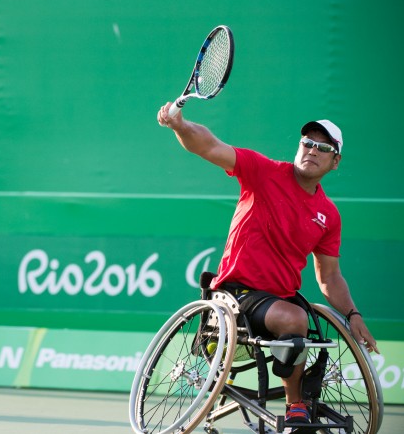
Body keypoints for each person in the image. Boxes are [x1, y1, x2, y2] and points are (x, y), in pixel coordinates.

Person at [156, 105, 378, 424]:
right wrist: (180, 125)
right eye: (308, 142)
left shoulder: (328, 215)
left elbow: (329, 277)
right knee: (294, 319)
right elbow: (209, 145)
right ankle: (295, 405)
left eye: (324, 147)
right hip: (236, 295)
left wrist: (352, 313)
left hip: (280, 299)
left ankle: (304, 392)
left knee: (299, 317)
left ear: (335, 161)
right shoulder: (263, 171)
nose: (313, 150)